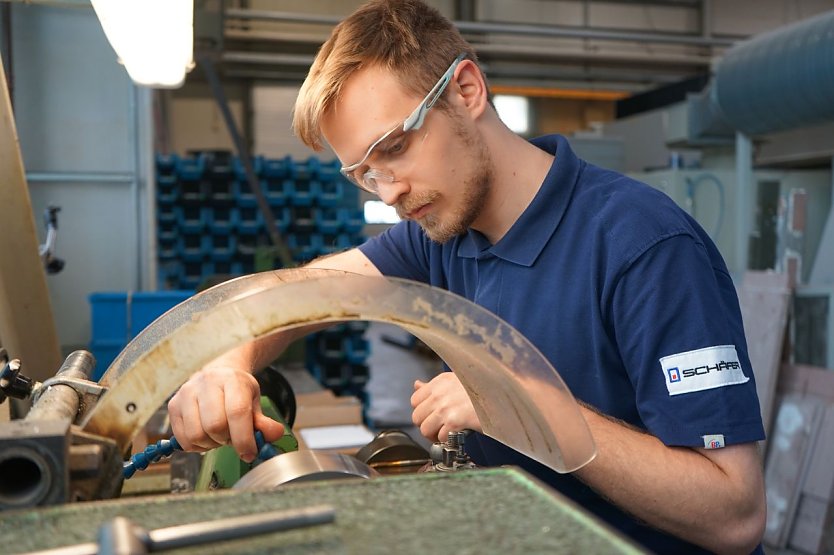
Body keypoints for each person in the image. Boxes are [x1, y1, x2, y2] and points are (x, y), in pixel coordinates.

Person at [168, 1, 767, 552]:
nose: (391, 193)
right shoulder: (444, 233)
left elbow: (733, 514)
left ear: (466, 89)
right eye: (365, 173)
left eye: (396, 146)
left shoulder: (644, 245)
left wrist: (523, 405)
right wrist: (227, 362)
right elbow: (306, 292)